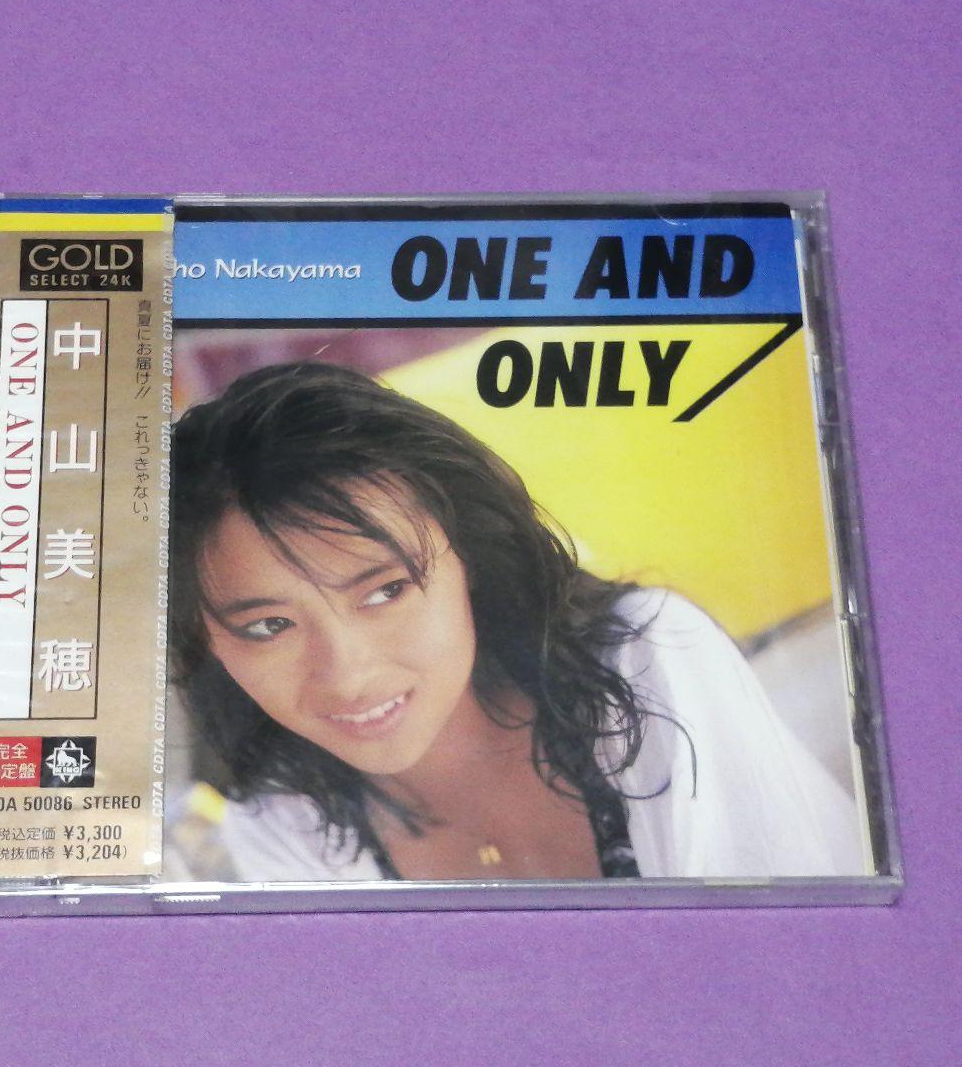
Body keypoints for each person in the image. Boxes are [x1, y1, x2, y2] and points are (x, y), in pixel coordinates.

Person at [169, 362, 864, 882]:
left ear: (470, 556)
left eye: (386, 590)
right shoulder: (284, 828)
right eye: (268, 627)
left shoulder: (645, 660)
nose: (347, 673)